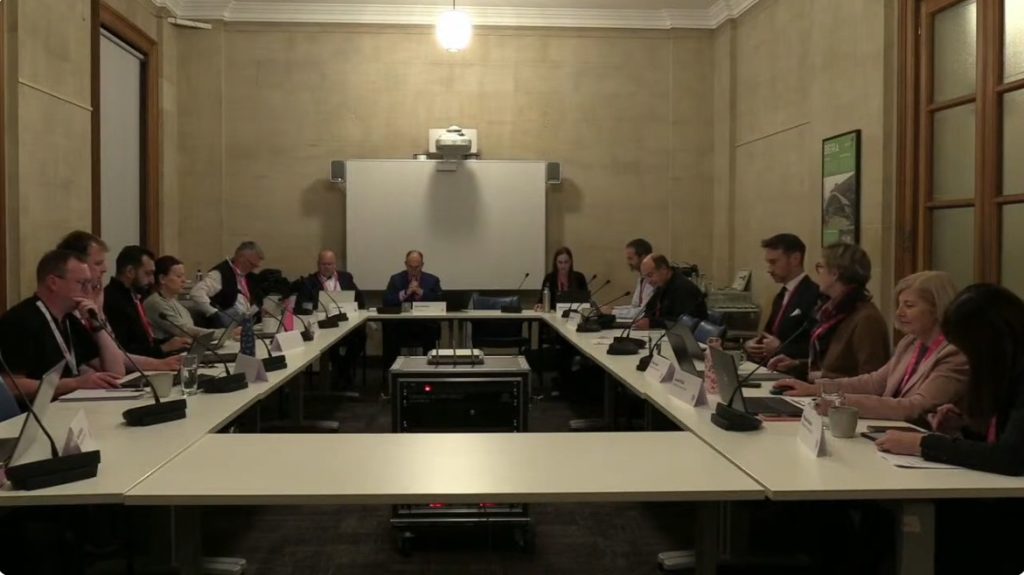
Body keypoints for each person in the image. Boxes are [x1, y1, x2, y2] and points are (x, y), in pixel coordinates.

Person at [774, 271, 968, 422]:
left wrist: (840, 402)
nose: (899, 313)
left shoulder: (953, 354)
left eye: (909, 306)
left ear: (937, 308)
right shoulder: (911, 342)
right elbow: (875, 382)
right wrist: (815, 389)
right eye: (899, 305)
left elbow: (915, 407)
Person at [876, 284, 1024, 474]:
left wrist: (923, 444)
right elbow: (1001, 439)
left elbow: (1010, 457)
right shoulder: (1009, 369)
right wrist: (965, 428)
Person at [0, 250, 125, 399]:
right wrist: (75, 384)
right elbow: (9, 385)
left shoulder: (70, 320)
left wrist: (96, 323)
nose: (87, 291)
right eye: (82, 283)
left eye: (89, 284)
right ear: (53, 282)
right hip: (34, 414)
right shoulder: (20, 320)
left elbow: (116, 372)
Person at [56, 230, 181, 373]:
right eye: (98, 263)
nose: (105, 269)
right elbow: (107, 367)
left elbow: (117, 355)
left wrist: (160, 364)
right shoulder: (78, 309)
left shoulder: (99, 298)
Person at [768, 243, 889, 380]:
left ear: (835, 274)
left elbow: (873, 380)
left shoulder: (866, 319)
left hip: (844, 400)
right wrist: (796, 366)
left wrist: (822, 376)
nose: (817, 273)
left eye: (820, 267)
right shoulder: (834, 311)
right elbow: (833, 365)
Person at [103, 246, 191, 358]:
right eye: (148, 274)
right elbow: (123, 350)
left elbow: (144, 341)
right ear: (130, 271)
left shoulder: (134, 296)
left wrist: (168, 343)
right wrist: (163, 348)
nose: (152, 280)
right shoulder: (112, 300)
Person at [296, 250, 367, 390]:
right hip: (323, 327)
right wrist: (316, 308)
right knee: (329, 344)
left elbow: (360, 300)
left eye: (330, 264)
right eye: (323, 264)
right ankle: (339, 374)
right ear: (318, 265)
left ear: (335, 264)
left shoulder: (346, 278)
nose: (327, 267)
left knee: (361, 337)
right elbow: (300, 306)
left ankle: (342, 370)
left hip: (346, 324)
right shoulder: (309, 283)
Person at [745, 233, 819, 364]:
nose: (769, 269)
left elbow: (819, 347)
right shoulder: (781, 295)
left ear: (795, 259)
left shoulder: (814, 295)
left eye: (774, 262)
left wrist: (782, 348)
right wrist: (752, 345)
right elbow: (768, 334)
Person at [145, 256, 234, 346]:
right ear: (162, 279)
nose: (184, 280)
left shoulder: (175, 303)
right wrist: (226, 333)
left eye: (183, 275)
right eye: (178, 276)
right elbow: (185, 331)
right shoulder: (155, 303)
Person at [381, 251, 443, 375]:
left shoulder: (432, 280)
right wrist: (405, 293)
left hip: (424, 325)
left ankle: (430, 374)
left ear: (422, 265)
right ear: (405, 264)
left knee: (432, 331)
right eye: (410, 267)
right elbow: (386, 301)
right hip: (402, 325)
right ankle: (392, 376)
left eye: (417, 267)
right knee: (389, 333)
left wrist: (421, 292)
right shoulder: (396, 279)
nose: (414, 270)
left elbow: (440, 301)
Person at [190, 241, 264, 327]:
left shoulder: (248, 276)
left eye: (256, 266)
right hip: (226, 327)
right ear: (240, 257)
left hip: (246, 324)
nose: (253, 269)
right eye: (251, 264)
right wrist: (214, 313)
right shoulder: (220, 273)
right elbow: (196, 293)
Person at [635, 254, 707, 330]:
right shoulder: (662, 285)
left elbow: (683, 322)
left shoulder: (683, 288)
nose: (648, 281)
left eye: (650, 275)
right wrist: (644, 320)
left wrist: (652, 323)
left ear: (664, 269)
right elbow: (650, 310)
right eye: (645, 277)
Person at [534, 247, 589, 311]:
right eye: (560, 262)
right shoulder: (549, 278)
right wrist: (539, 305)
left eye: (566, 262)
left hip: (574, 315)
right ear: (555, 263)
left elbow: (586, 301)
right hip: (553, 315)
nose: (563, 266)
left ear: (570, 262)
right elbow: (541, 300)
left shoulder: (579, 278)